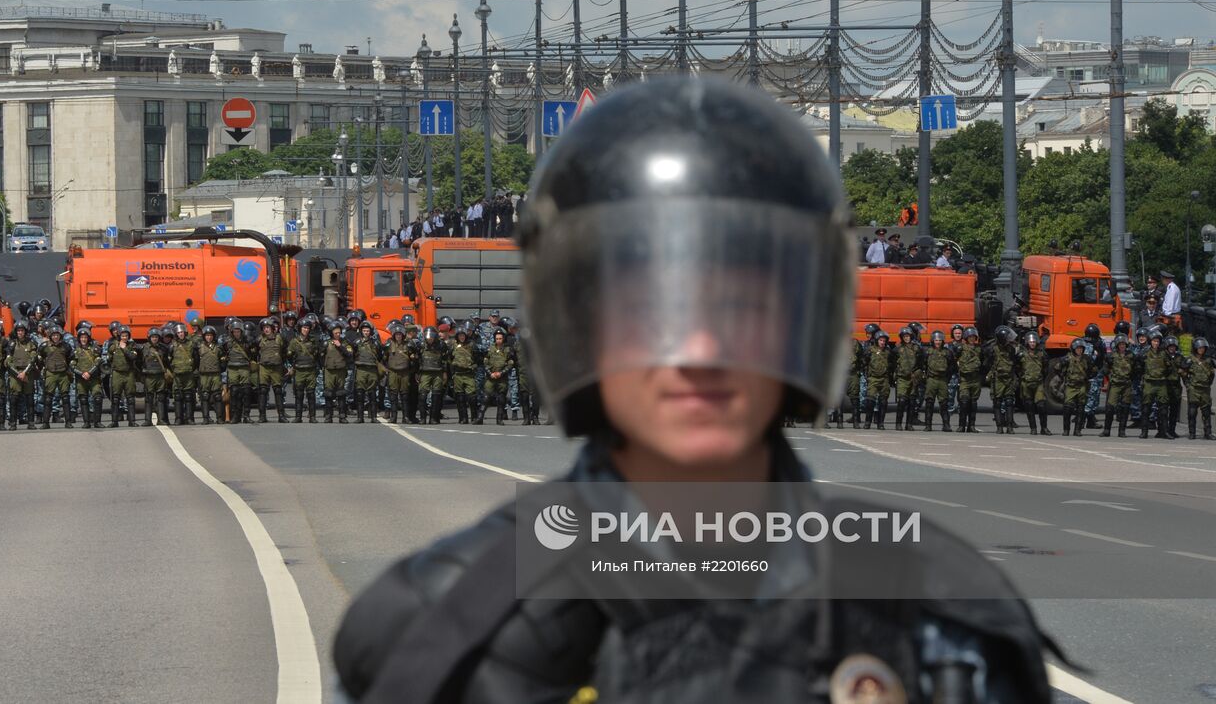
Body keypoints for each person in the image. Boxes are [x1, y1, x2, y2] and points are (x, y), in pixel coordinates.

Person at [333, 77, 1054, 704]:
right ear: (573, 324)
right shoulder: (441, 628)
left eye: (738, 309)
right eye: (652, 311)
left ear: (805, 322)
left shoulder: (935, 623)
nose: (700, 351)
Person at [1186, 338, 1214, 441]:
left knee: (1206, 412)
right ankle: (1192, 433)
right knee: (1192, 412)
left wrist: (1208, 383)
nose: (1201, 349)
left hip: (1205, 389)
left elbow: (1212, 374)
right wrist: (1188, 384)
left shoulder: (1209, 360)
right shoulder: (1190, 360)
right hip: (1194, 389)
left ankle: (1208, 433)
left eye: (1203, 348)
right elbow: (1183, 372)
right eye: (1199, 348)